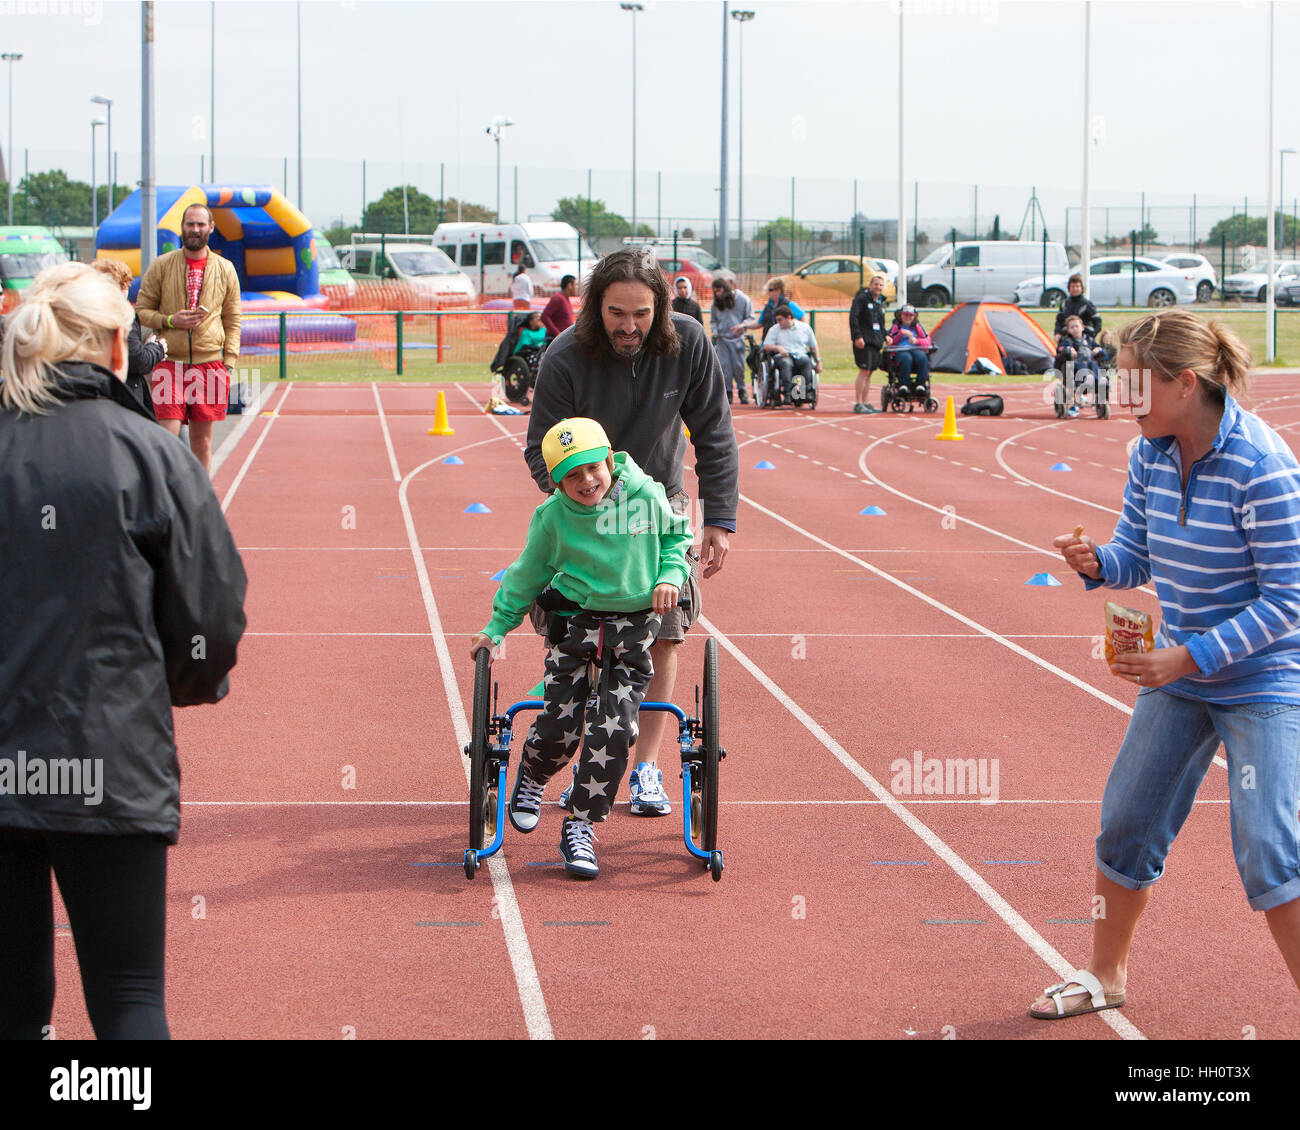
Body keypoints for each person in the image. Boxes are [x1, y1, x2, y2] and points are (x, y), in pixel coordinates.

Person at [0, 262, 247, 1039]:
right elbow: (211, 615)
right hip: (109, 754)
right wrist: (181, 683)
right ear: (116, 346)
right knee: (130, 996)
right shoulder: (155, 456)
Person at [1031, 310, 1300, 1020]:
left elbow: (1289, 602)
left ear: (1185, 384)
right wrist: (1097, 563)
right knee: (1126, 823)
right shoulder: (1149, 452)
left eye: (1135, 386)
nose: (1123, 400)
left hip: (1264, 678)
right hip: (1180, 675)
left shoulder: (1263, 468)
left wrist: (1190, 656)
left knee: (1270, 849)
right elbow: (1137, 554)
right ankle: (1104, 976)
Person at [525, 247, 738, 817]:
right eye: (617, 313)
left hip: (657, 506)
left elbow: (714, 430)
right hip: (584, 507)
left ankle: (645, 767)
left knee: (662, 631)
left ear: (661, 308)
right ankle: (591, 764)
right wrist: (585, 503)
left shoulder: (689, 343)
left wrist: (718, 519)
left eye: (641, 314)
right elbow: (539, 452)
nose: (629, 326)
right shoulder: (566, 356)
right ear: (597, 307)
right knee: (589, 635)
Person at [470, 418, 691, 877]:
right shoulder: (552, 518)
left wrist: (671, 575)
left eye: (593, 468)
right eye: (572, 475)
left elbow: (675, 538)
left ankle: (581, 825)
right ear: (556, 482)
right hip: (577, 623)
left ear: (609, 461)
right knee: (561, 723)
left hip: (633, 627)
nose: (587, 481)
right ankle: (531, 774)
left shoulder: (643, 496)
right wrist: (496, 627)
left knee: (615, 730)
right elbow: (526, 574)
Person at [135, 201, 241, 473]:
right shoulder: (161, 266)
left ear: (211, 228)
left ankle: (199, 501)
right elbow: (142, 311)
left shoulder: (226, 269)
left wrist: (229, 361)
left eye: (200, 224)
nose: (195, 229)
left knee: (202, 443)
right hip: (169, 363)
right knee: (166, 440)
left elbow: (232, 318)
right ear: (181, 228)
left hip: (211, 365)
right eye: (190, 224)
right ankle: (167, 500)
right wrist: (170, 320)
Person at [91, 256, 163, 420]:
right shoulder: (123, 315)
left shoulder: (88, 314)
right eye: (126, 284)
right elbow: (138, 360)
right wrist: (156, 348)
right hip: (126, 394)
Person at [762, 304, 822, 404]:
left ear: (789, 317)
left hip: (799, 354)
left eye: (780, 320)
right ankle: (788, 393)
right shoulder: (774, 329)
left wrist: (818, 361)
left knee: (806, 362)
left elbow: (813, 345)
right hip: (783, 356)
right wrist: (778, 348)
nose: (778, 322)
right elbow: (766, 345)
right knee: (787, 363)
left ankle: (804, 392)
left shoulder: (804, 328)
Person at [708, 273, 752, 405]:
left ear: (725, 288)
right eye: (715, 291)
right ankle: (728, 391)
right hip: (723, 339)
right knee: (724, 367)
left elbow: (750, 317)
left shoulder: (742, 299)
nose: (718, 294)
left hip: (737, 338)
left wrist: (742, 325)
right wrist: (715, 331)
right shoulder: (715, 304)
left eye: (719, 290)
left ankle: (742, 389)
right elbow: (713, 320)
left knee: (738, 366)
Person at [849, 273, 888, 413]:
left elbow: (880, 323)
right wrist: (857, 336)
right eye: (876, 284)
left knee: (870, 372)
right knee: (864, 370)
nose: (878, 287)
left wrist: (886, 336)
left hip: (875, 341)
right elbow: (854, 317)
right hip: (864, 341)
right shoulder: (861, 299)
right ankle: (858, 403)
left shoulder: (881, 303)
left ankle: (866, 402)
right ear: (870, 285)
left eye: (881, 285)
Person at [1055, 313, 1105, 418]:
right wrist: (1068, 349)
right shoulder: (1067, 341)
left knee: (1094, 364)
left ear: (1082, 327)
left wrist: (1097, 350)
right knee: (1082, 364)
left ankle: (1097, 380)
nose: (1075, 329)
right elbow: (1059, 349)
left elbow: (1100, 349)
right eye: (1072, 327)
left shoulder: (1089, 340)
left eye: (1076, 326)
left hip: (1090, 364)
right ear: (1068, 330)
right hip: (1075, 368)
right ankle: (1087, 379)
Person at [741, 277, 806, 339]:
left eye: (770, 290)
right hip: (767, 343)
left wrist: (797, 333)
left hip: (784, 345)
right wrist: (744, 325)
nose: (768, 292)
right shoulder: (767, 307)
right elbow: (759, 323)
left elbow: (803, 318)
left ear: (778, 290)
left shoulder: (789, 304)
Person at [886, 304, 932, 389]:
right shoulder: (896, 327)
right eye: (905, 315)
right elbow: (891, 342)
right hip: (900, 351)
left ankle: (920, 384)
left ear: (914, 317)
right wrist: (901, 333)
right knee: (906, 358)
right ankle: (904, 384)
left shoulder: (918, 327)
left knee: (922, 358)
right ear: (901, 315)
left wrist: (916, 341)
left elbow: (927, 342)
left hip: (915, 349)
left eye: (910, 315)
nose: (908, 317)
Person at [1054, 273, 1101, 342]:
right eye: (1073, 286)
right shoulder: (1065, 304)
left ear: (1081, 288)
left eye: (1077, 286)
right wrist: (1057, 333)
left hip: (1083, 340)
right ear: (1069, 288)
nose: (1075, 289)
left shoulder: (1087, 304)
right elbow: (1058, 321)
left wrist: (1090, 335)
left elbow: (1097, 322)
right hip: (1066, 339)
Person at [540, 274, 577, 339]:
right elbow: (544, 317)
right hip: (556, 340)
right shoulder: (558, 298)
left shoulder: (566, 299)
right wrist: (557, 334)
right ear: (569, 285)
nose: (577, 287)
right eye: (575, 285)